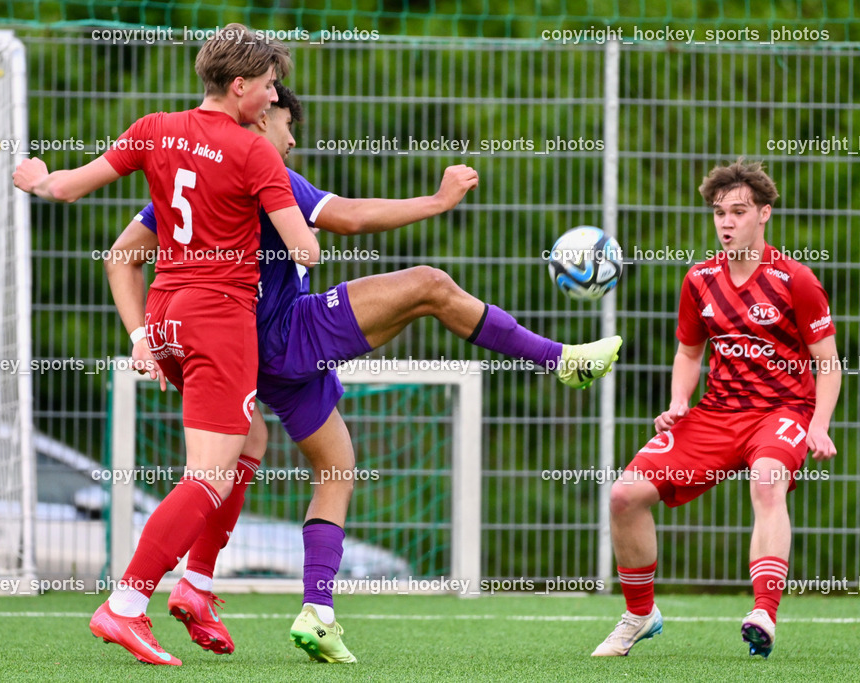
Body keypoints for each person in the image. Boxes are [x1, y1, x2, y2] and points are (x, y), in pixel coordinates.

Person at [104, 83, 623, 663]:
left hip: (233, 350)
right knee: (429, 284)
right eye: (286, 122)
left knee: (326, 464)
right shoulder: (260, 168)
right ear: (258, 115)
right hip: (279, 335)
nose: (291, 139)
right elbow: (348, 216)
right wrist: (436, 201)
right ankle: (560, 360)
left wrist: (142, 335)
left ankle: (287, 605)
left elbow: (121, 256)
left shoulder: (191, 177)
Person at [13, 24, 319, 666]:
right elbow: (305, 247)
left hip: (164, 315)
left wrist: (38, 176)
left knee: (250, 441)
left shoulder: (154, 128)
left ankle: (197, 584)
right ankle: (126, 604)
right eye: (269, 87)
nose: (273, 99)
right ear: (240, 86)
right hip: (218, 320)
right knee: (207, 476)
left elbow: (66, 188)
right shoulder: (254, 151)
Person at [591, 159, 840, 659]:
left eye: (738, 212)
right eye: (719, 213)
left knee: (766, 481)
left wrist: (819, 425)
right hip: (717, 413)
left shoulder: (796, 279)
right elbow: (689, 353)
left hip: (783, 411)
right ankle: (640, 614)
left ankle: (763, 612)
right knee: (624, 495)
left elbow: (828, 364)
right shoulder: (700, 279)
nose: (726, 223)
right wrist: (678, 402)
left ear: (764, 214)